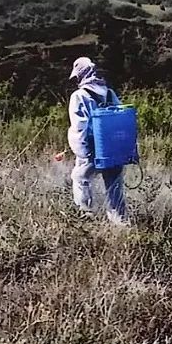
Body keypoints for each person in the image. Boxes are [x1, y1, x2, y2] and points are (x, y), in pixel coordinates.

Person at [67, 56, 128, 225]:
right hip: (113, 148)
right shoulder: (109, 93)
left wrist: (83, 152)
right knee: (114, 187)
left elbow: (79, 127)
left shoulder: (79, 96)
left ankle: (86, 218)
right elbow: (120, 118)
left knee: (80, 178)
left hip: (93, 149)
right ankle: (120, 223)